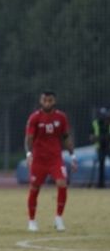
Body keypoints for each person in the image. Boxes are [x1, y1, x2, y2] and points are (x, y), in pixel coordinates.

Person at [25, 91, 77, 232]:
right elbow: (29, 137)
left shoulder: (61, 117)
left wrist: (72, 156)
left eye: (50, 100)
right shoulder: (35, 117)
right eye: (45, 100)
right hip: (39, 159)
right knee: (35, 188)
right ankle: (32, 220)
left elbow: (66, 137)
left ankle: (58, 218)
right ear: (41, 101)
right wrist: (29, 153)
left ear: (54, 101)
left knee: (62, 183)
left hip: (55, 159)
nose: (47, 103)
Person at [90, 107, 109, 188]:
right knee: (101, 165)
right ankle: (101, 184)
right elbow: (91, 137)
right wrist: (99, 138)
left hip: (108, 146)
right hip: (100, 147)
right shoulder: (95, 123)